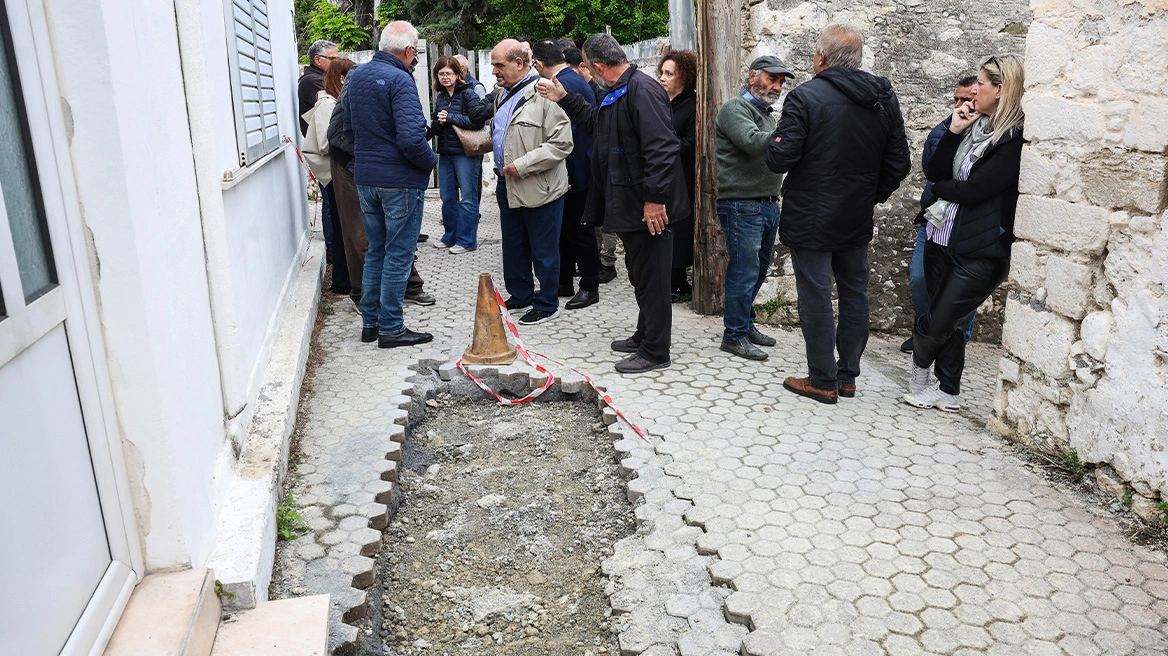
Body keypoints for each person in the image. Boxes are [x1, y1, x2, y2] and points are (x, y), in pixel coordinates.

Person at [765, 24, 911, 404]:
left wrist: (774, 140)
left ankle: (822, 380)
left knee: (815, 294)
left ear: (821, 58)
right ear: (858, 60)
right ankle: (846, 377)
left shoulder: (805, 97)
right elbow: (899, 163)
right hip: (854, 214)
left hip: (811, 215)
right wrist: (868, 195)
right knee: (853, 292)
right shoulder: (883, 98)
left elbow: (780, 156)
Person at [538, 33, 690, 373]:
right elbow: (598, 126)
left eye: (587, 69)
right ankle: (644, 334)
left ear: (600, 66)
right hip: (631, 204)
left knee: (651, 279)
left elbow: (663, 149)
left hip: (649, 208)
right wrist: (565, 98)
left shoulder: (642, 91)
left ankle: (655, 351)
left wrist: (654, 200)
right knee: (640, 275)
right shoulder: (619, 91)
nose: (585, 74)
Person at [905, 55, 1025, 412]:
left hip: (980, 250)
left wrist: (943, 187)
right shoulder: (975, 127)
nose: (974, 93)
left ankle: (919, 379)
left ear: (1000, 90)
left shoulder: (1014, 139)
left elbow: (974, 190)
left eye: (981, 85)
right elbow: (937, 171)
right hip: (941, 237)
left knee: (939, 319)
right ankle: (949, 390)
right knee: (952, 323)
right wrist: (955, 131)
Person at [342, 21, 437, 348]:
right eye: (415, 56)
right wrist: (432, 162)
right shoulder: (400, 79)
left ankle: (371, 324)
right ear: (409, 51)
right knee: (398, 254)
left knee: (377, 252)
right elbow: (412, 139)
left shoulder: (355, 77)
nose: (415, 62)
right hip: (398, 182)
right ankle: (392, 328)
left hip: (367, 178)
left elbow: (347, 131)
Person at [471, 39, 573, 326]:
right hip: (507, 184)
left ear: (520, 63)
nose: (494, 72)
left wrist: (523, 165)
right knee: (514, 246)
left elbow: (562, 143)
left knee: (543, 249)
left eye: (499, 65)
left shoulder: (545, 93)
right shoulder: (502, 94)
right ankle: (522, 295)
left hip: (538, 185)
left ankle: (547, 303)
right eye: (492, 65)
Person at [328, 61, 434, 313]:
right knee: (362, 237)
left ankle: (394, 302)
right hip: (351, 166)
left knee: (388, 242)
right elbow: (339, 134)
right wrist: (378, 156)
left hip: (372, 169)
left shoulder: (381, 80)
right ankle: (368, 302)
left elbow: (398, 130)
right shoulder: (362, 80)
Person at [714, 55, 793, 361]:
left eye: (780, 82)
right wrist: (789, 132)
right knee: (743, 272)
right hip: (742, 205)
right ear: (752, 77)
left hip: (766, 205)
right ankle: (733, 335)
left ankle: (744, 325)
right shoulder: (736, 108)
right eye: (772, 79)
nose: (777, 86)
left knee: (757, 271)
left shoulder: (767, 116)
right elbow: (751, 141)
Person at [901, 75, 979, 353]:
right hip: (936, 217)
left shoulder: (994, 134)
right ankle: (926, 332)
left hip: (969, 224)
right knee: (920, 279)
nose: (959, 105)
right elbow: (936, 170)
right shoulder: (943, 131)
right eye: (956, 99)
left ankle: (956, 338)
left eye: (967, 99)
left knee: (964, 286)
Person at [532, 38, 601, 311]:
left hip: (576, 168)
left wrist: (568, 173)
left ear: (538, 63)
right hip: (575, 166)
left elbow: (568, 133)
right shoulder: (570, 78)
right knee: (565, 229)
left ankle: (589, 286)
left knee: (579, 230)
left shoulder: (564, 84)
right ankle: (563, 282)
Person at [301, 57, 350, 295]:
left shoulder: (333, 103)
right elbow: (325, 143)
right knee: (341, 229)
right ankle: (342, 282)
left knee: (344, 227)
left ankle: (344, 279)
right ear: (341, 79)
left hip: (336, 172)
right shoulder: (327, 105)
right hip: (332, 175)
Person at [427, 56, 486, 254]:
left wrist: (450, 117)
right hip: (445, 153)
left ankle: (467, 240)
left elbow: (478, 122)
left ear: (457, 74)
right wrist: (437, 124)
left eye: (448, 73)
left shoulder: (469, 93)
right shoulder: (441, 97)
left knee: (468, 198)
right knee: (447, 197)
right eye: (441, 74)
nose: (445, 77)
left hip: (466, 153)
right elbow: (437, 125)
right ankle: (450, 236)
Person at [657, 49, 698, 302]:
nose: (662, 77)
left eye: (669, 74)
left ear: (684, 77)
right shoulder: (661, 101)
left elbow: (692, 144)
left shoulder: (692, 105)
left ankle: (678, 281)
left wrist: (664, 141)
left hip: (683, 175)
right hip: (663, 174)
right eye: (662, 72)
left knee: (680, 228)